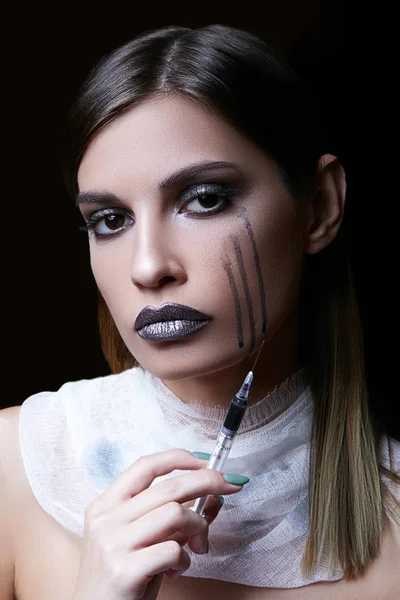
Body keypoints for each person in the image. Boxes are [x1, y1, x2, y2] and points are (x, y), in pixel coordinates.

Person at [1, 23, 399, 600]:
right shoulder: (17, 469)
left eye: (205, 199)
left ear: (318, 208)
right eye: (110, 220)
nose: (147, 266)